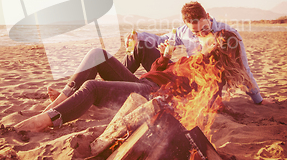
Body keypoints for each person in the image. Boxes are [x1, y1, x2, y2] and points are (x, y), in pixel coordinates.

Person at [14, 27, 257, 133]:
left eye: (208, 37)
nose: (202, 37)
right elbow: (160, 71)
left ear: (215, 46)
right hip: (144, 82)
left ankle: (46, 120)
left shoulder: (211, 74)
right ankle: (60, 101)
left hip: (149, 94)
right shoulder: (195, 60)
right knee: (97, 55)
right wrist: (164, 59)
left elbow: (196, 101)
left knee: (92, 87)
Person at [124, 1, 271, 105]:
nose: (200, 34)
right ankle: (120, 82)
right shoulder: (183, 31)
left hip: (204, 82)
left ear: (207, 16)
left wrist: (258, 99)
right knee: (141, 47)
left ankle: (126, 87)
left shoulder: (228, 35)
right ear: (187, 25)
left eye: (204, 29)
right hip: (185, 72)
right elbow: (160, 39)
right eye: (195, 32)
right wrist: (138, 37)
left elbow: (243, 68)